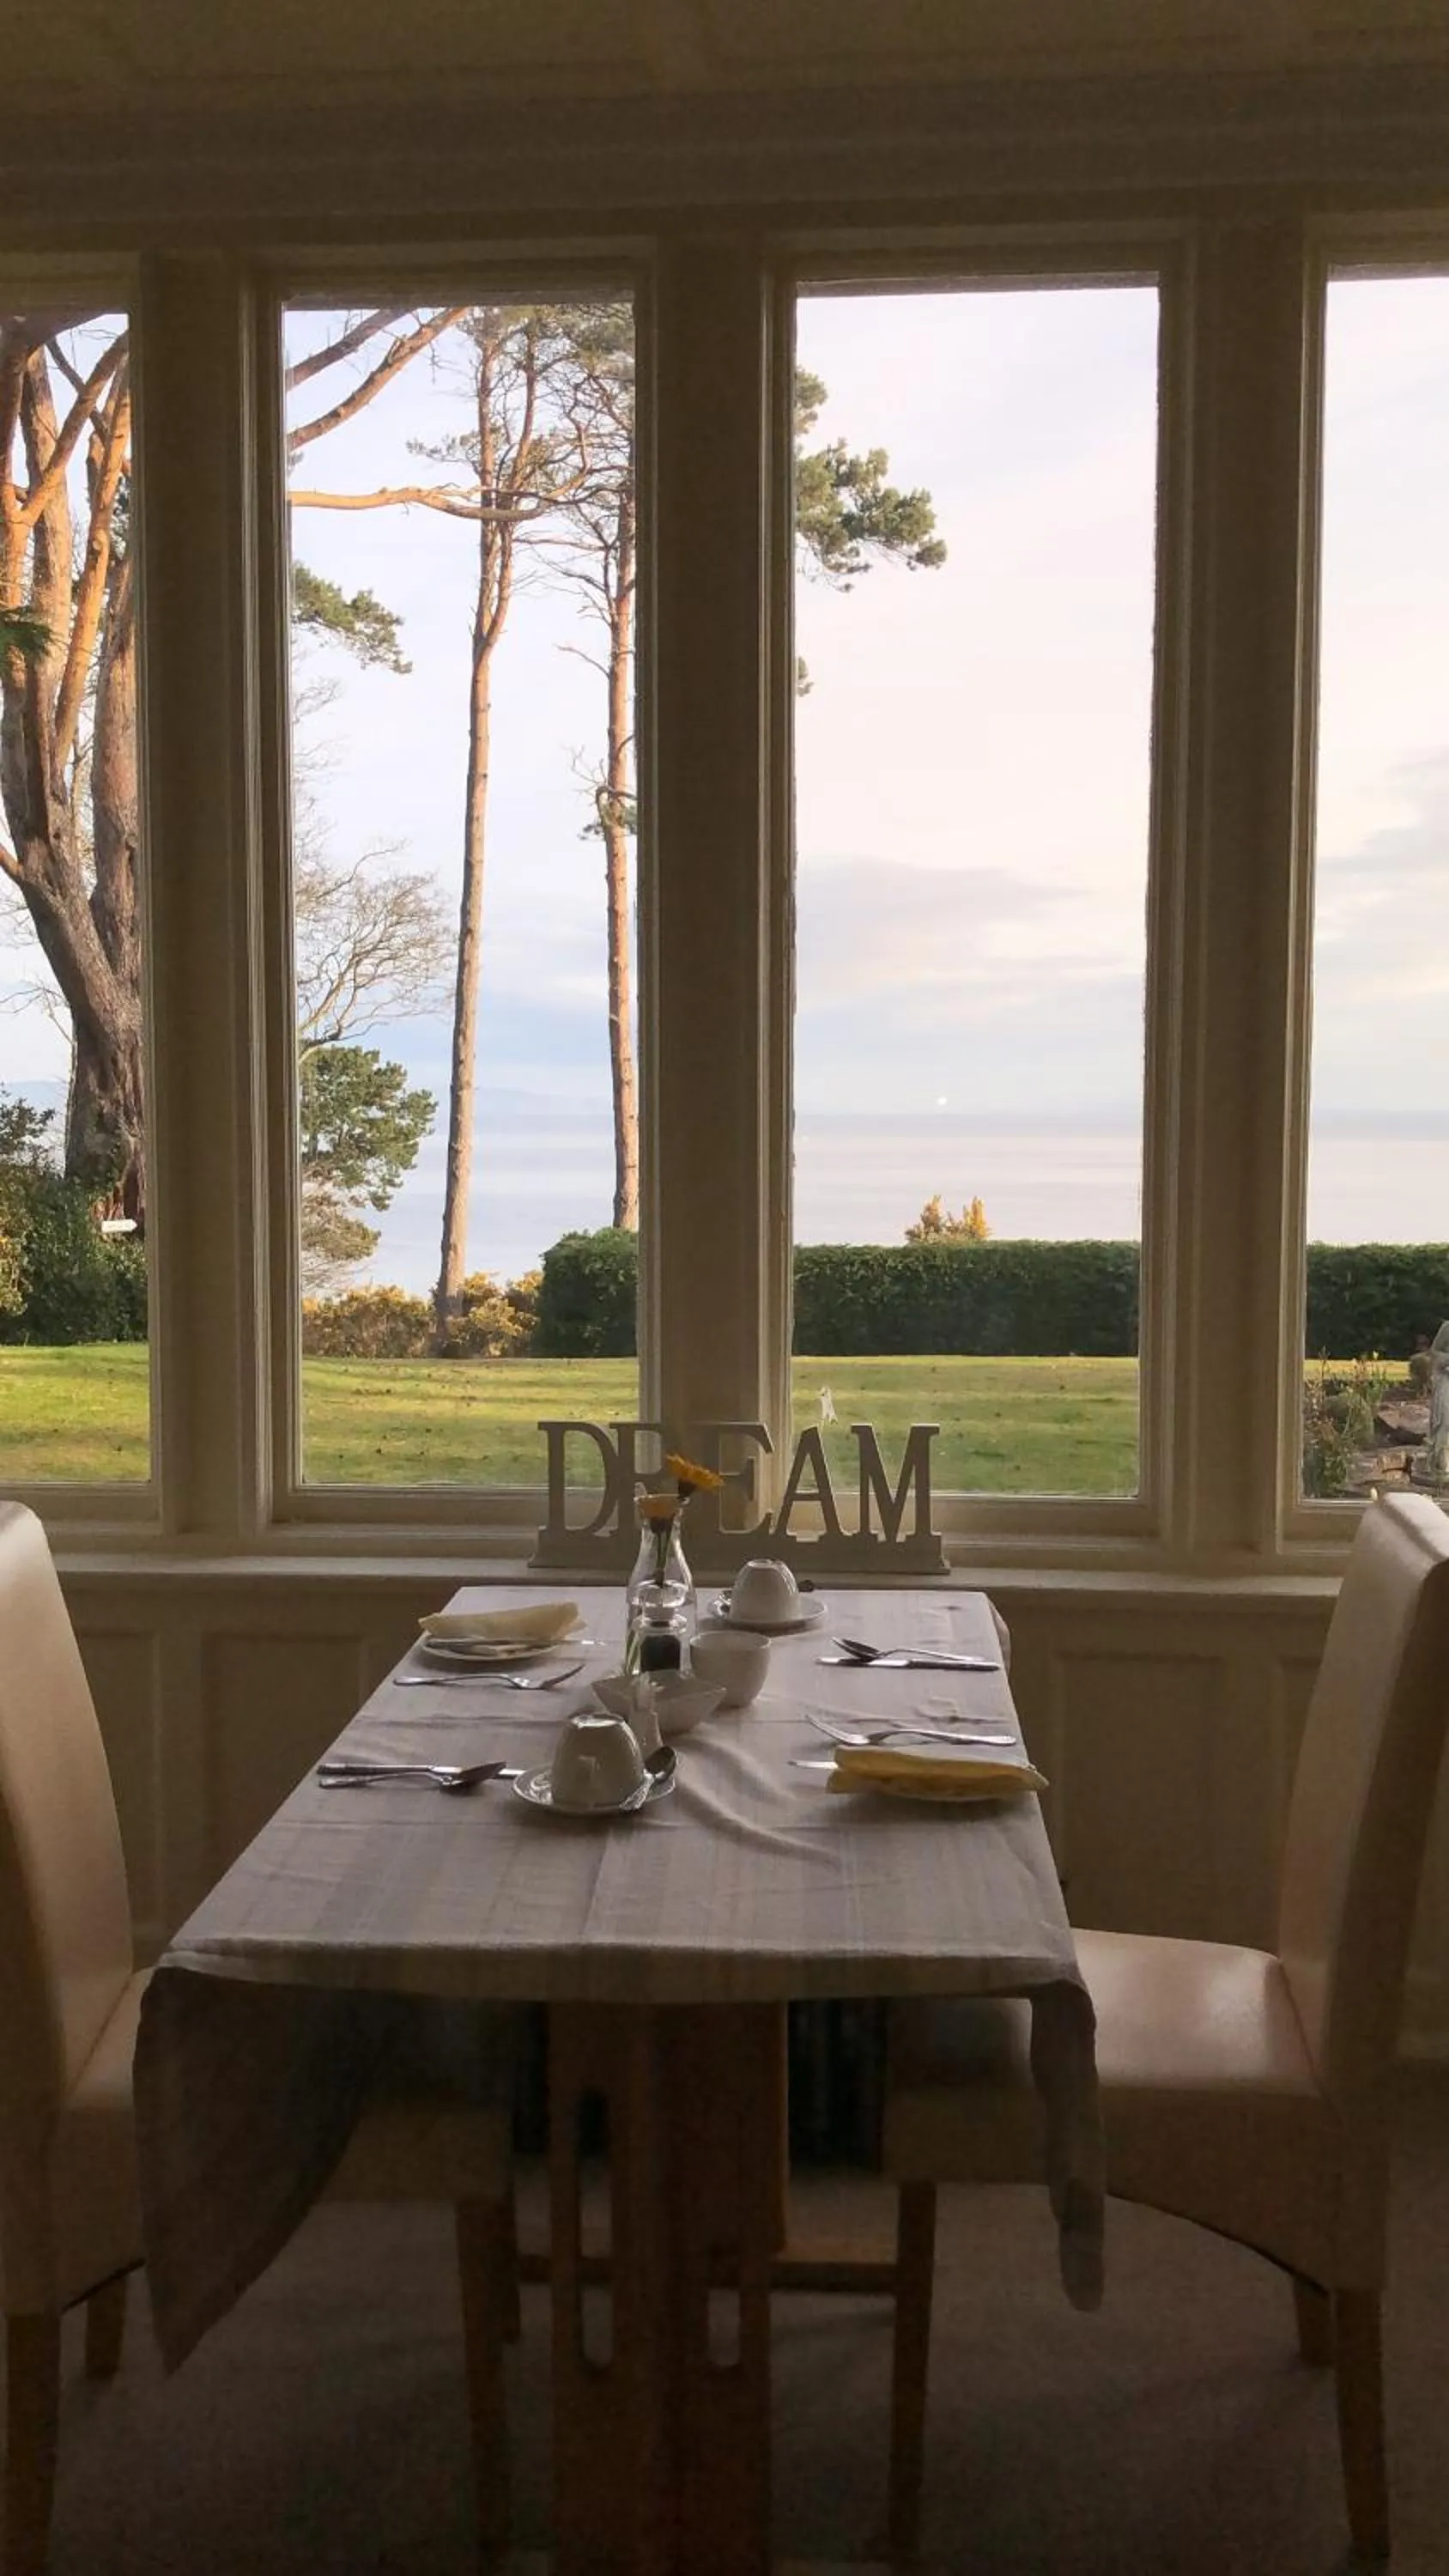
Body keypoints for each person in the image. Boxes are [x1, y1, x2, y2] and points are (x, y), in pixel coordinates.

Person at [1428, 1324, 1449, 1478]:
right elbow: (1434, 1352)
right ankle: (1441, 1463)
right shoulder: (1448, 1327)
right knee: (1444, 1419)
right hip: (1445, 1377)